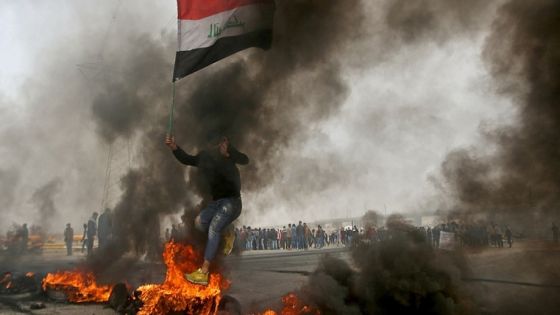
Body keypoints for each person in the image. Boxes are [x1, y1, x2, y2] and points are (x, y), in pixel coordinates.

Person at [166, 134, 249, 285]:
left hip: (232, 202)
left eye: (222, 141)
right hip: (216, 203)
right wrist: (174, 148)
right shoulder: (205, 156)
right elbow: (187, 159)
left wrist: (230, 153)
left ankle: (203, 272)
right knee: (199, 222)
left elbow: (245, 160)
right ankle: (228, 232)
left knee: (213, 228)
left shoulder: (228, 153)